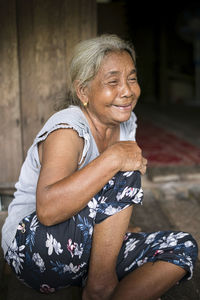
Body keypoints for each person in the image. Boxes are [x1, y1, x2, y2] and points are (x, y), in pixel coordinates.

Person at [1, 34, 198, 300]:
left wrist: (113, 231)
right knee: (123, 169)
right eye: (113, 82)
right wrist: (113, 157)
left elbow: (107, 198)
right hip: (35, 248)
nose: (127, 90)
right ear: (83, 91)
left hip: (84, 251)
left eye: (132, 78)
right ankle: (100, 286)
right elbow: (47, 210)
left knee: (182, 246)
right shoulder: (68, 128)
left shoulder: (127, 122)